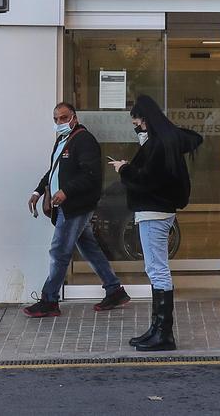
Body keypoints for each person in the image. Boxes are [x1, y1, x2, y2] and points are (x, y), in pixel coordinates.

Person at [110, 95, 203, 351]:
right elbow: (190, 140)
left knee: (157, 270)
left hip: (153, 212)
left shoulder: (158, 145)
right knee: (156, 269)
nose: (136, 127)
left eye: (137, 122)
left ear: (146, 120)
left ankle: (164, 333)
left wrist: (123, 169)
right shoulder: (165, 141)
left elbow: (146, 180)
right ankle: (156, 328)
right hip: (159, 212)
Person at [23, 103, 129, 318]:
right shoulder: (63, 140)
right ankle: (115, 290)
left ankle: (49, 300)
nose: (60, 123)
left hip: (76, 206)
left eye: (64, 118)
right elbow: (54, 170)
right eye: (56, 119)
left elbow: (90, 175)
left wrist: (66, 191)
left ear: (74, 117)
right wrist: (37, 192)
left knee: (59, 251)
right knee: (89, 248)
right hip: (69, 205)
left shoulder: (84, 140)